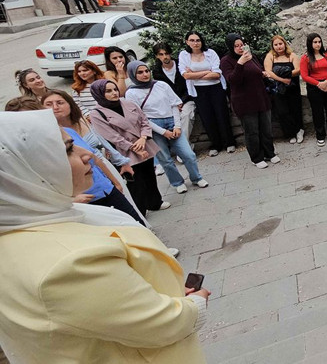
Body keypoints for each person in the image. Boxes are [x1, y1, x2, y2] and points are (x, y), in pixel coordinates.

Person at [0, 110, 209, 363]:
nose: (85, 154)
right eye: (68, 150)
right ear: (24, 171)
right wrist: (195, 304)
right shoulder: (68, 263)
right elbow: (160, 324)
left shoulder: (36, 222)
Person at [40, 89, 144, 220]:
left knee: (134, 221)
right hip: (85, 197)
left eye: (60, 102)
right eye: (49, 104)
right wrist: (70, 200)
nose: (55, 107)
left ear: (69, 104)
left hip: (104, 185)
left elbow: (94, 155)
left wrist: (114, 181)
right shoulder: (44, 139)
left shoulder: (71, 129)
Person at [88, 79, 171, 215]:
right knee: (135, 182)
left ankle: (155, 201)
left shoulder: (128, 103)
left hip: (144, 143)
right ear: (99, 93)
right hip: (125, 151)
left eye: (115, 89)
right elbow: (110, 136)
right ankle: (140, 210)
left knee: (149, 175)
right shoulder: (97, 114)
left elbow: (144, 120)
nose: (114, 93)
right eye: (108, 91)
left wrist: (143, 138)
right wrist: (134, 147)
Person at [125, 61, 210, 189]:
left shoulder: (161, 85)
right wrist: (162, 132)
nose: (145, 74)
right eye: (140, 72)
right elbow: (141, 118)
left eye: (146, 71)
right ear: (132, 74)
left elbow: (174, 104)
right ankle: (177, 183)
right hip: (153, 127)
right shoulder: (131, 93)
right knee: (165, 159)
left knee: (188, 154)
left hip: (171, 121)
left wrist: (177, 126)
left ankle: (196, 177)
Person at [220, 33, 280, 168]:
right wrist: (240, 63)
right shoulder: (226, 61)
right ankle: (257, 157)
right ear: (231, 47)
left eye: (241, 45)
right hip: (244, 102)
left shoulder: (251, 57)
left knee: (266, 128)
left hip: (260, 97)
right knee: (252, 131)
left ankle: (270, 153)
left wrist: (263, 73)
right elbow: (233, 80)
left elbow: (258, 70)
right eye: (236, 46)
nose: (240, 48)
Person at [178, 31, 236, 156]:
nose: (195, 43)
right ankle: (216, 144)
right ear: (187, 42)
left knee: (222, 115)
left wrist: (194, 73)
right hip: (198, 91)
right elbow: (185, 75)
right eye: (192, 40)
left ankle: (229, 142)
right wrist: (206, 72)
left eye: (198, 40)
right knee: (207, 117)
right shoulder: (184, 55)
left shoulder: (210, 53)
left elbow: (216, 74)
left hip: (215, 88)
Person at [300, 33, 327, 147]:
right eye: (315, 42)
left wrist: (326, 82)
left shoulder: (326, 55)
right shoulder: (306, 58)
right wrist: (318, 83)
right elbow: (304, 76)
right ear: (310, 43)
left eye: (319, 42)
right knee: (317, 111)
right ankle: (320, 135)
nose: (318, 44)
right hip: (314, 87)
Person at [151, 44, 195, 144]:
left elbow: (189, 85)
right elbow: (162, 91)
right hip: (171, 103)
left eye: (166, 53)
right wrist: (174, 103)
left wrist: (181, 101)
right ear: (157, 56)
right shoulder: (157, 72)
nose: (164, 57)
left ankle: (184, 146)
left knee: (186, 115)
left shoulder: (180, 65)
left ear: (170, 53)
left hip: (188, 99)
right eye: (161, 54)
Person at [264, 35, 305, 144]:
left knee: (295, 109)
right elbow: (268, 72)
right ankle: (290, 133)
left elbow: (298, 70)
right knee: (282, 111)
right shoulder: (270, 56)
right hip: (278, 88)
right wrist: (282, 79)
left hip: (293, 87)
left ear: (284, 44)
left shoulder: (292, 55)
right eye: (276, 45)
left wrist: (285, 73)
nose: (278, 47)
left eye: (280, 44)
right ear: (273, 46)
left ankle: (299, 131)